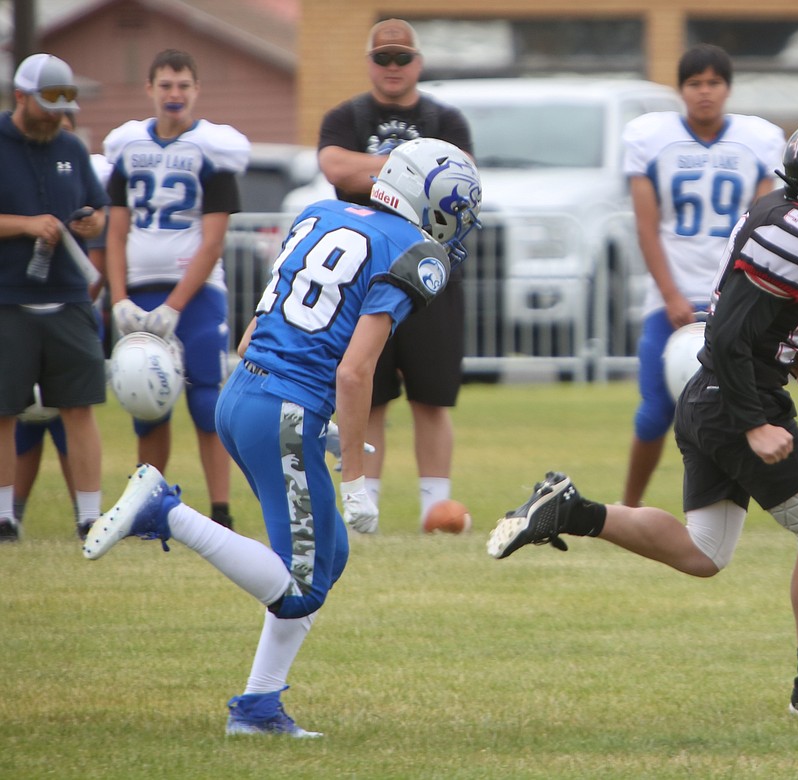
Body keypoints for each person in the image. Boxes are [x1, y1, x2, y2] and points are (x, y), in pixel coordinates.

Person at [487, 116, 798, 718]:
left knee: (703, 553)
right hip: (738, 398)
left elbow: (763, 320)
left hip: (717, 395)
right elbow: (731, 332)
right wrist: (755, 420)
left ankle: (571, 510)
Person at [81, 138, 482, 736]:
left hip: (243, 392)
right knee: (299, 588)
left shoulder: (322, 213)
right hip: (282, 411)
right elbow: (354, 370)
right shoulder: (415, 252)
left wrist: (312, 427)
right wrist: (355, 480)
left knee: (328, 558)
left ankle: (260, 706)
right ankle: (166, 513)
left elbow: (253, 335)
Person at [317, 19, 474, 528]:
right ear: (368, 63)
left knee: (432, 398)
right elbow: (336, 168)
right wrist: (413, 168)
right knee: (369, 392)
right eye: (382, 58)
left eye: (401, 58)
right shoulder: (346, 115)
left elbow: (460, 177)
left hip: (427, 268)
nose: (392, 67)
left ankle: (436, 508)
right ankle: (367, 504)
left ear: (418, 63)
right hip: (364, 272)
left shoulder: (444, 118)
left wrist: (374, 168)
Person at [620, 43, 784, 507]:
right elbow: (646, 226)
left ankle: (740, 504)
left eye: (713, 82)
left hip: (734, 299)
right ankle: (628, 506)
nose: (705, 92)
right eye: (695, 83)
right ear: (680, 90)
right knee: (655, 412)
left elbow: (761, 226)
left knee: (742, 409)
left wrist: (743, 298)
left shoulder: (757, 140)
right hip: (670, 299)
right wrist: (670, 293)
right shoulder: (651, 138)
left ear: (728, 88)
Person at [103, 49, 249, 529]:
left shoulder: (213, 150)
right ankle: (149, 510)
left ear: (196, 89)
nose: (174, 94)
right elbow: (117, 231)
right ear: (149, 89)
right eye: (165, 85)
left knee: (207, 400)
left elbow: (213, 241)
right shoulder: (128, 146)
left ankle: (221, 511)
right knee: (147, 402)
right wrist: (119, 295)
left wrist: (175, 305)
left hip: (197, 291)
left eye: (183, 85)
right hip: (141, 288)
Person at [0, 53, 108, 542]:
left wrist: (92, 222)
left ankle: (90, 516)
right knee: (3, 410)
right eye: (46, 106)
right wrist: (26, 225)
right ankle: (3, 516)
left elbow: (99, 211)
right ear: (20, 98)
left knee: (80, 407)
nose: (56, 119)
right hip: (8, 296)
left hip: (68, 295)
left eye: (64, 107)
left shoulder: (69, 145)